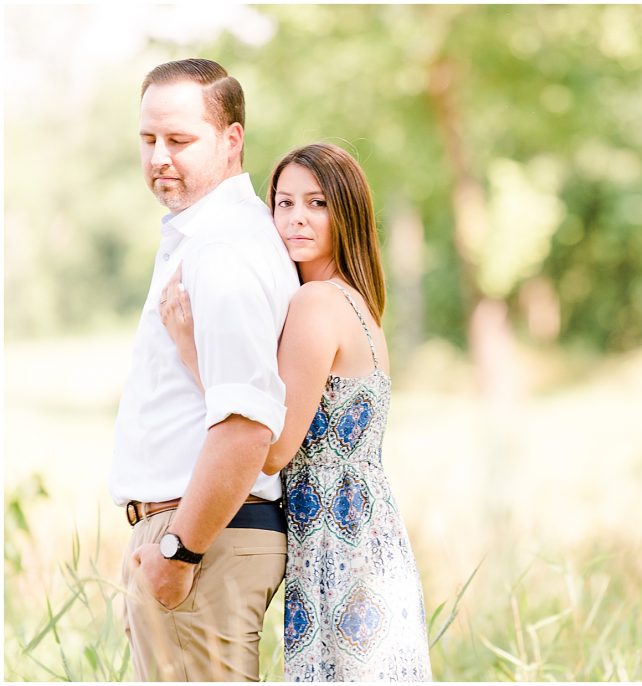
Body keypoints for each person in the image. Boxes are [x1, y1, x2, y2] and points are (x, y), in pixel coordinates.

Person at [160, 142, 433, 681]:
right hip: (374, 539)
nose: (296, 219)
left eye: (316, 203)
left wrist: (192, 348)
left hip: (338, 542)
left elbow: (275, 448)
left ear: (346, 212)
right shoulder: (360, 304)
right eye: (284, 204)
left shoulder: (315, 306)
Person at [109, 58, 300, 681]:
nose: (160, 156)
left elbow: (247, 426)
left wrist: (176, 552)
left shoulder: (222, 252)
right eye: (148, 139)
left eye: (180, 140)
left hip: (202, 541)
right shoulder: (210, 240)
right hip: (197, 537)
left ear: (232, 138)